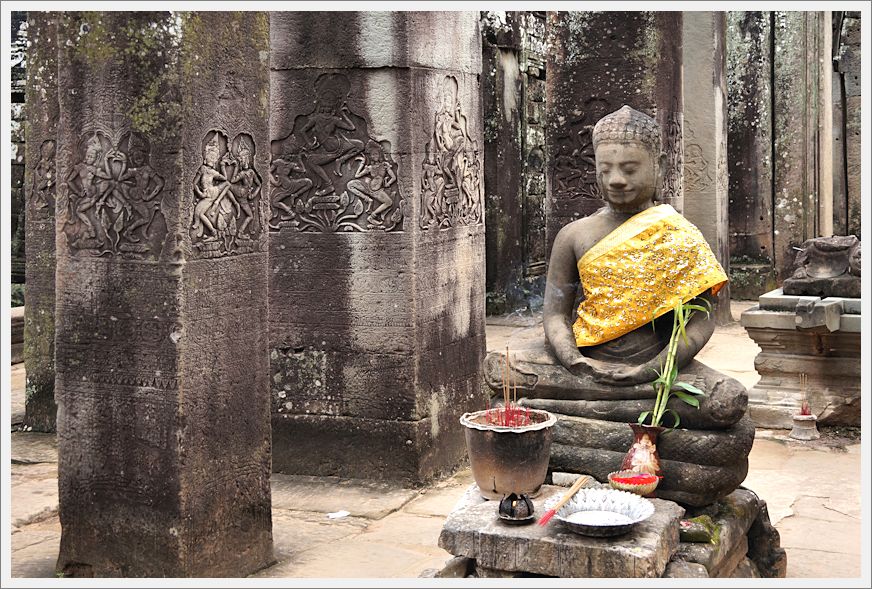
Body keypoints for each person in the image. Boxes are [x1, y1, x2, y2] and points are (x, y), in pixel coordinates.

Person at [484, 106, 751, 507]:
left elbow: (701, 321)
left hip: (657, 371)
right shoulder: (575, 235)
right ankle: (638, 451)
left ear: (658, 165)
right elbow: (555, 313)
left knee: (725, 400)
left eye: (629, 168)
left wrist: (661, 365)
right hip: (582, 365)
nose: (616, 180)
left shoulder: (677, 233)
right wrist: (571, 356)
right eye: (605, 168)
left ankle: (565, 442)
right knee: (501, 374)